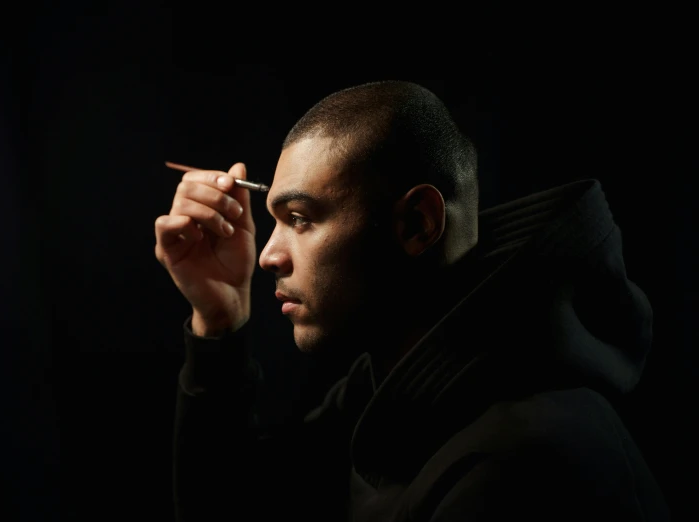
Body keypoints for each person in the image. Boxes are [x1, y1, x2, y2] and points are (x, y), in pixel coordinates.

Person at [154, 80, 670, 521]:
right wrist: (217, 318)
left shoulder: (526, 463)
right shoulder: (386, 390)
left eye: (301, 219)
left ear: (418, 224)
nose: (268, 255)